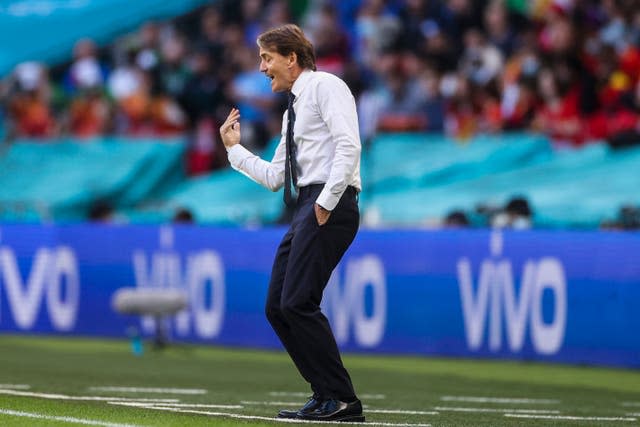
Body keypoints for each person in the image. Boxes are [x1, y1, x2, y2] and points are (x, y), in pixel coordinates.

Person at [219, 24, 364, 423]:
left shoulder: (325, 87)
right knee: (277, 307)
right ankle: (324, 394)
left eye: (267, 57)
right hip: (307, 204)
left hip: (327, 202)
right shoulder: (293, 109)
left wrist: (326, 202)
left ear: (291, 58)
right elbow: (273, 177)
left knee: (298, 301)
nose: (262, 67)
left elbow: (349, 144)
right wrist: (234, 150)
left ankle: (343, 398)